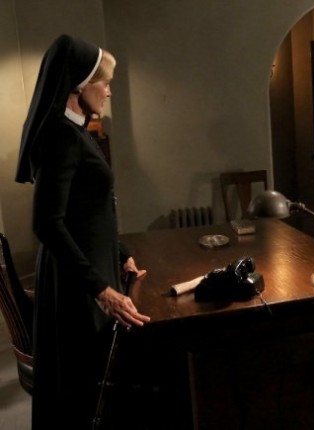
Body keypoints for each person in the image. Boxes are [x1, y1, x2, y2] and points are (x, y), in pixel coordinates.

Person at [15, 34, 151, 429]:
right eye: (104, 82)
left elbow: (85, 213)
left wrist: (120, 251)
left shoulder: (74, 131)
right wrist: (101, 290)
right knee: (82, 391)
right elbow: (47, 223)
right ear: (79, 85)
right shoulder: (61, 136)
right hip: (76, 285)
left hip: (88, 271)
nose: (108, 91)